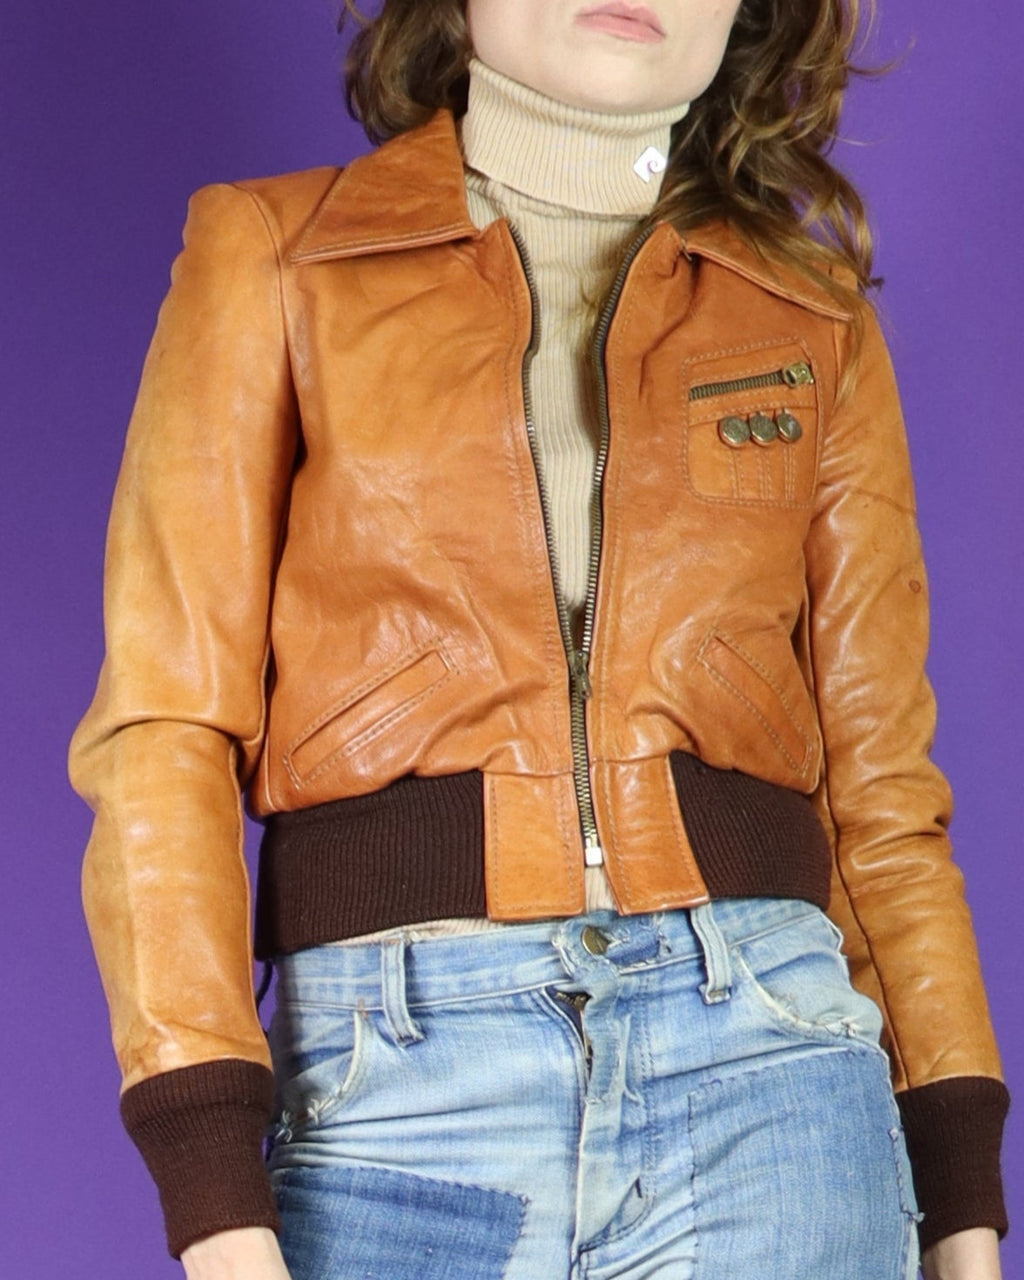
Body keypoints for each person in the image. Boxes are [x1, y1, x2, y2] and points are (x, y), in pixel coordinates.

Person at [69, 1, 1009, 1277]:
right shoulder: (278, 256)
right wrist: (210, 1180)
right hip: (399, 1085)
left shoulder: (808, 313)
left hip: (775, 1074)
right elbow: (163, 725)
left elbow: (880, 790)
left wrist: (957, 1190)